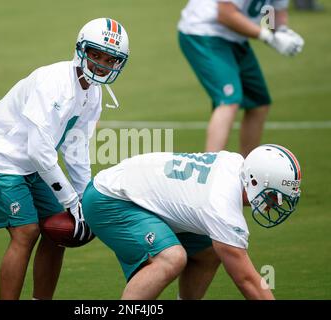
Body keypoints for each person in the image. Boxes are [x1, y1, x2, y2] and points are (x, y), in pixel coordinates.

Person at [0, 18, 130, 300]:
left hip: (29, 158)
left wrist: (85, 200)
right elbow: (39, 151)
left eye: (110, 58)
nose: (101, 63)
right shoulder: (54, 83)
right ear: (81, 50)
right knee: (26, 231)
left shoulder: (94, 93)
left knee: (58, 229)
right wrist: (71, 201)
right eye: (95, 54)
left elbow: (75, 148)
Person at [82, 144, 302, 299]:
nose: (275, 203)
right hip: (109, 199)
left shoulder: (235, 163)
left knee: (208, 250)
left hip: (132, 192)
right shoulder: (222, 206)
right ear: (253, 181)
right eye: (274, 196)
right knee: (171, 258)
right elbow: (247, 280)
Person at [177, 0, 304, 157]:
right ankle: (208, 170)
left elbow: (270, 9)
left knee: (259, 103)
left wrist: (281, 31)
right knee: (229, 100)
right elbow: (225, 13)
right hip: (204, 32)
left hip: (235, 38)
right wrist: (268, 37)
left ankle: (247, 171)